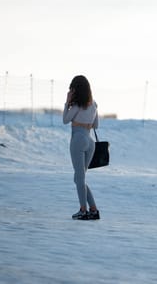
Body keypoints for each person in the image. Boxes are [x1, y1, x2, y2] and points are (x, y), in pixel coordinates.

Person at [63, 75, 100, 220]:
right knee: (80, 178)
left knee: (79, 178)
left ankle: (83, 210)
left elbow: (65, 120)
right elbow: (96, 125)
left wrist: (67, 103)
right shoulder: (94, 104)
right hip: (90, 142)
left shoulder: (77, 105)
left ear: (75, 89)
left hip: (78, 140)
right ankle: (94, 210)